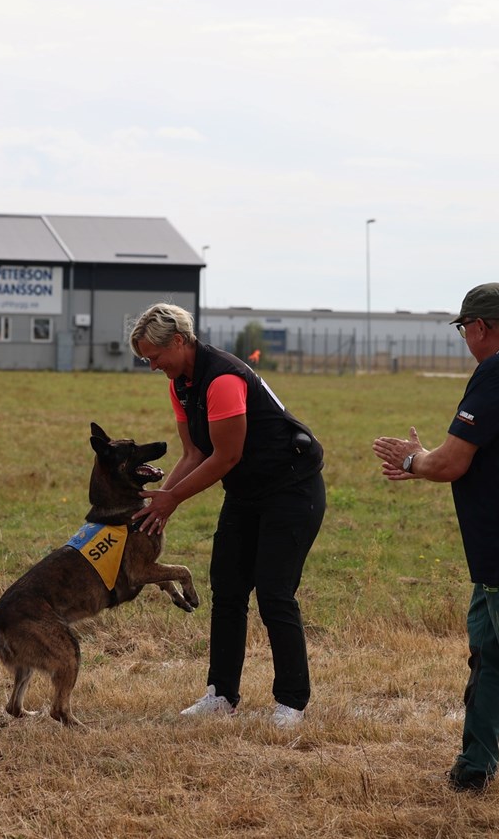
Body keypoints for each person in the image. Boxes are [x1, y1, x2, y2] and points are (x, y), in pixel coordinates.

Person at [372, 283, 499, 792]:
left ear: (479, 327)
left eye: (466, 331)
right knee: (490, 653)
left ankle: (476, 765)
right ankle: (473, 768)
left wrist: (411, 460)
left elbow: (449, 462)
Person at [129, 302, 326, 727]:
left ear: (179, 342)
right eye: (146, 359)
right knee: (228, 590)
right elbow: (194, 453)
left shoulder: (222, 378)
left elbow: (227, 456)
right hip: (246, 493)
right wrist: (162, 499)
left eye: (155, 357)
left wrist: (173, 498)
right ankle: (221, 694)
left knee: (275, 593)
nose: (151, 366)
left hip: (291, 489)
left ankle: (290, 703)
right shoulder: (180, 383)